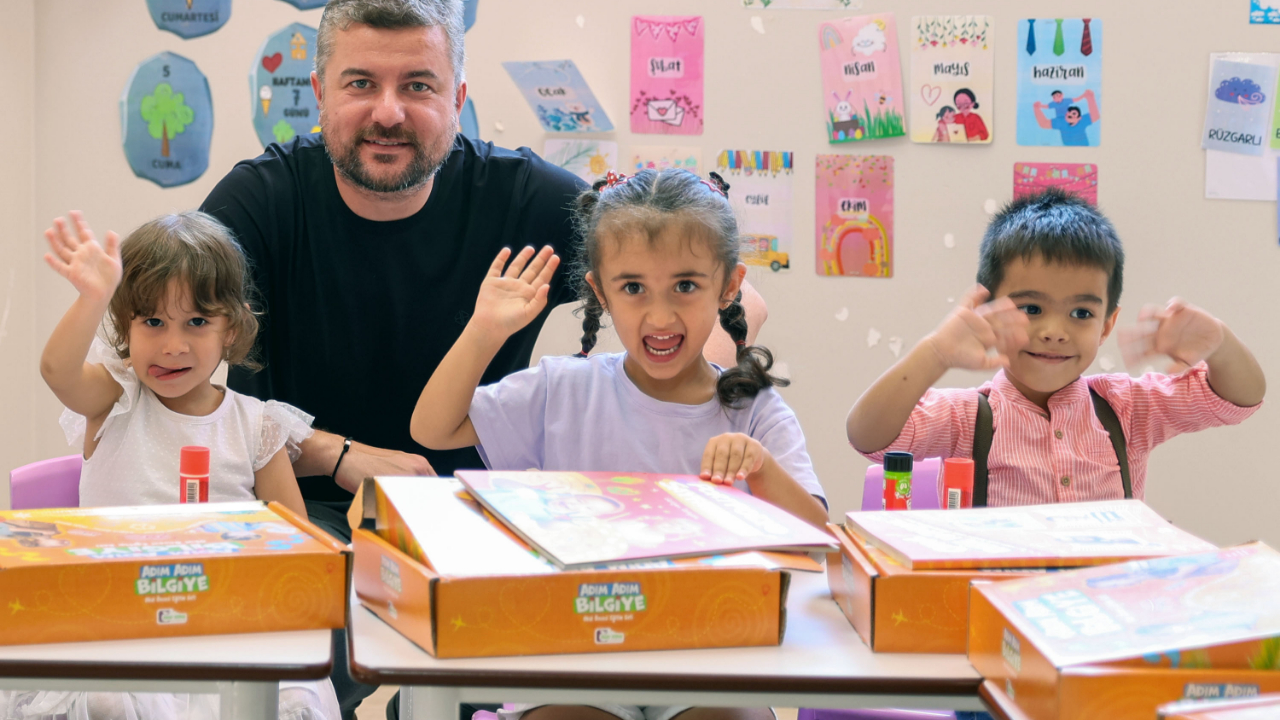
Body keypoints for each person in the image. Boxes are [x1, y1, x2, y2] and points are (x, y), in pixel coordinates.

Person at [198, 2, 763, 716]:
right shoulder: (259, 202)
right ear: (319, 93)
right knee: (289, 682)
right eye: (360, 84)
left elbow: (729, 294)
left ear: (459, 99)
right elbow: (161, 369)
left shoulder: (528, 198)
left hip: (486, 519)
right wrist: (338, 454)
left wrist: (680, 419)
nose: (389, 113)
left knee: (488, 693)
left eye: (419, 86)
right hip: (303, 508)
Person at [411, 168, 828, 720]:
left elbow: (819, 544)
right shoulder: (564, 388)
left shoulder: (754, 412)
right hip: (575, 655)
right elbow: (432, 429)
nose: (659, 316)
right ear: (600, 292)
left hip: (709, 656)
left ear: (729, 285)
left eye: (686, 285)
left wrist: (762, 469)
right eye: (633, 288)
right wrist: (485, 331)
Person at [22, 210, 336, 720]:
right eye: (152, 322)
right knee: (113, 700)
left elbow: (294, 544)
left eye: (196, 322)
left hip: (223, 626)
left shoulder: (257, 425)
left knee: (297, 697)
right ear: (126, 326)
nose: (172, 344)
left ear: (230, 330)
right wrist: (92, 297)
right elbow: (57, 371)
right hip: (120, 620)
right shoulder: (115, 396)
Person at [846, 189, 1264, 507]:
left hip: (1107, 610)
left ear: (1107, 325)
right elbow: (868, 436)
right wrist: (936, 352)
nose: (1055, 331)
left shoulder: (1129, 408)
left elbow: (1239, 399)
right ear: (989, 310)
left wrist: (1220, 344)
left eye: (1081, 314)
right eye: (1032, 308)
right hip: (1000, 613)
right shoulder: (968, 418)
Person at [1034, 88, 1099, 146]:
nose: (1070, 114)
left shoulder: (1081, 121)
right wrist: (1036, 108)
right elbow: (1043, 123)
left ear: (1079, 118)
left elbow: (1095, 115)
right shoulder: (1061, 122)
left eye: (1074, 113)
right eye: (1068, 112)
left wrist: (1090, 97)